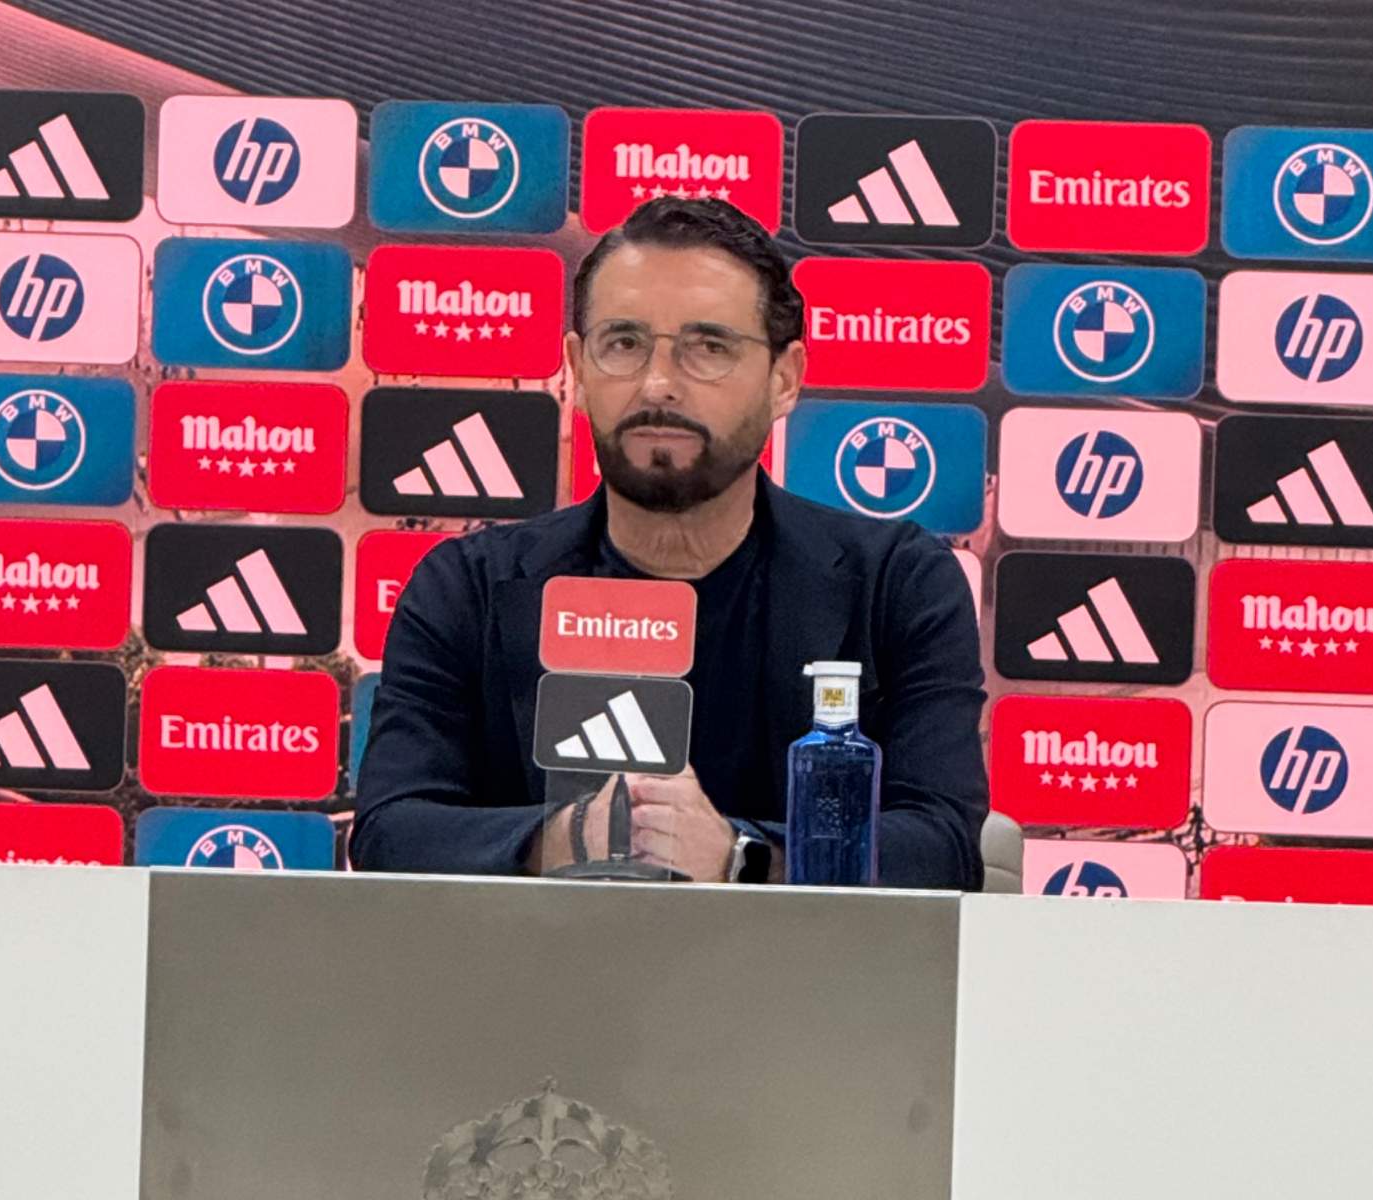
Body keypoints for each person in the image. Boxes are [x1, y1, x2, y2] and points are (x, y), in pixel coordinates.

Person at [349, 197, 988, 889]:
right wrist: (567, 838)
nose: (658, 384)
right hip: (541, 984)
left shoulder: (897, 584)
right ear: (578, 368)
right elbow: (392, 830)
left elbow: (943, 845)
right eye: (622, 343)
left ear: (785, 379)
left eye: (708, 347)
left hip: (803, 988)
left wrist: (737, 855)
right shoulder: (466, 587)